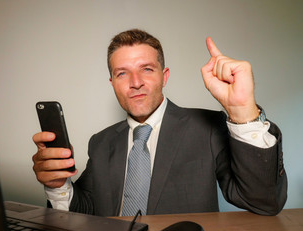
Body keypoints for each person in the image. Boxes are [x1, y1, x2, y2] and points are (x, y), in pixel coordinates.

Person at [32, 29, 287, 217]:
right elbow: (85, 210)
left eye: (147, 69)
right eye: (122, 73)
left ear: (164, 76)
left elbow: (264, 202)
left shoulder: (207, 127)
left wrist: (243, 111)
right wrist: (58, 186)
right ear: (112, 83)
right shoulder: (100, 142)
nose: (135, 82)